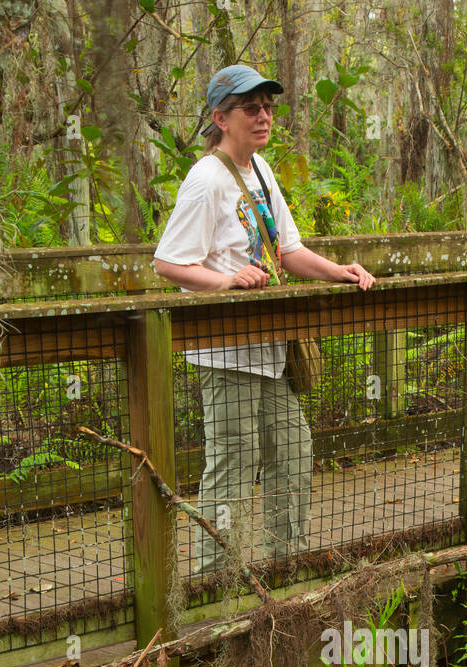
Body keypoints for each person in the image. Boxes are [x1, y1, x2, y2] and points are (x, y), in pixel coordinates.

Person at [153, 63, 375, 575]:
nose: (263, 116)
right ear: (221, 118)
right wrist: (226, 280)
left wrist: (338, 272)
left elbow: (288, 250)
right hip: (225, 352)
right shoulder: (206, 179)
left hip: (270, 349)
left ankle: (285, 570)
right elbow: (168, 263)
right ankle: (216, 581)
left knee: (294, 454)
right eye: (251, 108)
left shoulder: (261, 171)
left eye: (268, 107)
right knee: (232, 466)